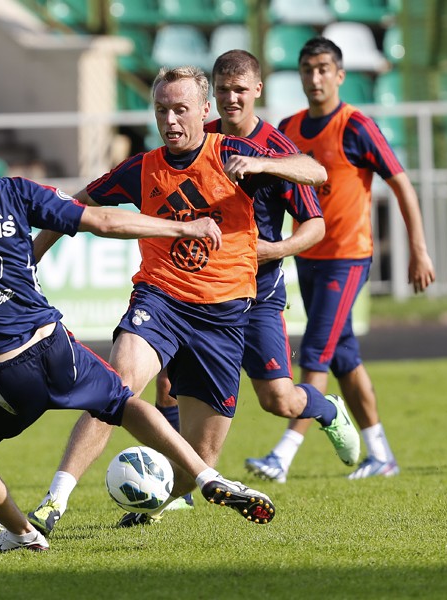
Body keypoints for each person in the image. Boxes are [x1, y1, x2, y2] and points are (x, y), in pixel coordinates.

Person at [0, 81, 280, 554]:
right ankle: (205, 476)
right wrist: (183, 225)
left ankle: (22, 533)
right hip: (55, 346)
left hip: (0, 372)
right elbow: (103, 220)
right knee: (122, 401)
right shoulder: (16, 191)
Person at [26, 64, 360, 535]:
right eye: (162, 110)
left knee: (209, 452)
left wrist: (263, 165)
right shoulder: (142, 167)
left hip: (226, 316)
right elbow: (74, 207)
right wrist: (31, 256)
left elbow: (316, 170)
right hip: (159, 300)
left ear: (205, 111)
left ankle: (156, 497)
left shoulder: (238, 154)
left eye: (181, 109)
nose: (171, 120)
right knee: (114, 383)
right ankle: (53, 502)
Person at [153, 49, 360, 508]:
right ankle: (172, 488)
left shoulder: (276, 149)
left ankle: (326, 409)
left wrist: (273, 247)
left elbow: (315, 224)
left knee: (277, 399)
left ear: (257, 91)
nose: (231, 98)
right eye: (223, 90)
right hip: (199, 295)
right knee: (166, 378)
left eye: (240, 90)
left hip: (257, 294)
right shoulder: (199, 138)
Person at [245, 37, 436, 482]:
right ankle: (381, 454)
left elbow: (401, 184)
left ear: (340, 75)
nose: (315, 77)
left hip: (348, 257)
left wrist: (419, 249)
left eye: (324, 69)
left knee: (315, 351)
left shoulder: (356, 125)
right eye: (308, 69)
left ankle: (282, 456)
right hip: (306, 256)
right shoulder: (288, 128)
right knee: (344, 356)